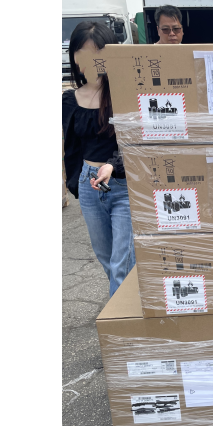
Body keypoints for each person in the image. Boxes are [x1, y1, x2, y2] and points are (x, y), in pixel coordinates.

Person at [63, 21, 135, 296]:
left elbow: (135, 143)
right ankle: (125, 305)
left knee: (121, 264)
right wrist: (77, 186)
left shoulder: (125, 94)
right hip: (90, 186)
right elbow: (72, 149)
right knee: (106, 260)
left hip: (123, 185)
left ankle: (121, 318)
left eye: (98, 55)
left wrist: (112, 165)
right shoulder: (69, 100)